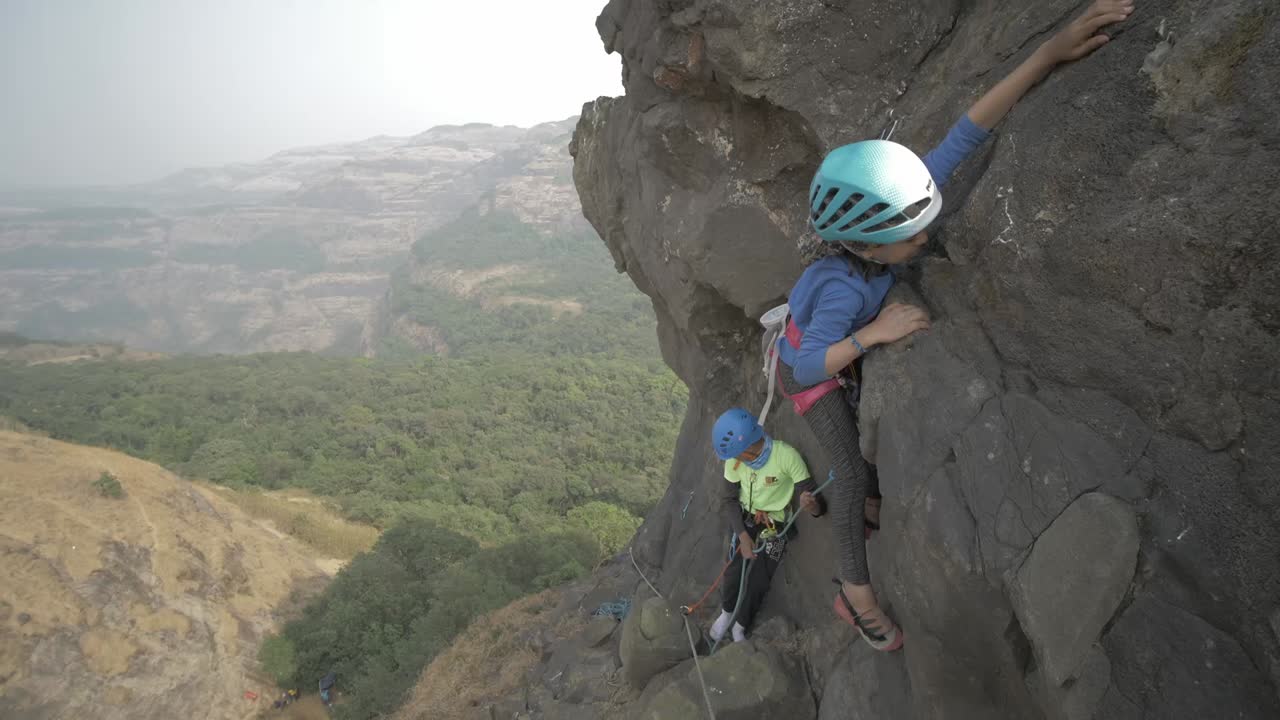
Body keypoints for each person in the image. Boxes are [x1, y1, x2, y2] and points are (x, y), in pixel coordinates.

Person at [777, 0, 1134, 651]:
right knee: (849, 472)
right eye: (911, 237)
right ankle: (854, 595)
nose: (924, 235)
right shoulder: (838, 288)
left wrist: (1048, 54)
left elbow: (966, 134)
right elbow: (800, 370)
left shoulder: (896, 208)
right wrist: (872, 337)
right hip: (812, 369)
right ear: (870, 246)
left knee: (861, 462)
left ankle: (868, 513)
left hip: (835, 351)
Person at [708, 408, 825, 643]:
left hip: (775, 523)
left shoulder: (786, 456)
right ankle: (727, 612)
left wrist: (810, 505)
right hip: (744, 517)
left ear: (748, 448)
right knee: (734, 569)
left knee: (761, 576)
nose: (734, 459)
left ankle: (740, 624)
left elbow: (817, 505)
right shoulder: (734, 459)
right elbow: (729, 499)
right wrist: (742, 535)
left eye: (737, 454)